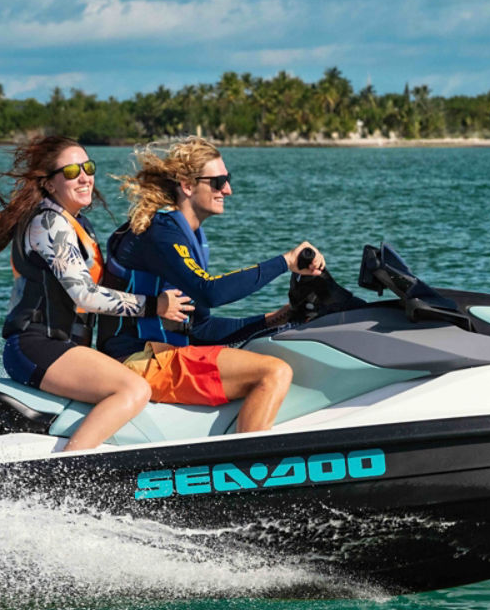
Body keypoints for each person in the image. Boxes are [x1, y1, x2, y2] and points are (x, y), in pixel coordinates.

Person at [0, 136, 193, 451]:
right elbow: (84, 295)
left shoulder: (78, 224)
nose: (84, 177)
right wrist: (155, 305)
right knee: (133, 389)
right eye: (70, 171)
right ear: (50, 185)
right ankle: (71, 468)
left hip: (64, 347)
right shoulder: (49, 223)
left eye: (88, 167)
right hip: (38, 345)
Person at [100, 136, 325, 433]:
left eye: (227, 180)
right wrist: (285, 261)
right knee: (273, 372)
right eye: (218, 182)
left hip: (162, 352)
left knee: (273, 352)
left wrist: (274, 319)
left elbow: (200, 329)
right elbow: (212, 291)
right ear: (188, 185)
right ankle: (249, 469)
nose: (228, 190)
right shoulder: (162, 232)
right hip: (137, 359)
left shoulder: (190, 236)